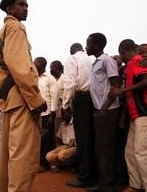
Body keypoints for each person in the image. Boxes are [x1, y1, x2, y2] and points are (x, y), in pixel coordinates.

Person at [0, 0, 47, 191]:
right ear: (9, 9)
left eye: (26, 5)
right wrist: (36, 100)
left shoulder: (3, 31)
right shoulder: (16, 27)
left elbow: (6, 65)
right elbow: (20, 67)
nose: (25, 8)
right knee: (22, 158)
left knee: (10, 155)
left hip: (10, 99)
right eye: (20, 4)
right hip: (22, 99)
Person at [109, 39, 147, 191]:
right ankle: (135, 185)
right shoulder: (129, 66)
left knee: (140, 152)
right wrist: (124, 114)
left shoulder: (137, 61)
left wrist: (121, 91)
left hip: (143, 113)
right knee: (130, 151)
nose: (121, 58)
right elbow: (131, 92)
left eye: (121, 55)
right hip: (134, 114)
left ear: (123, 52)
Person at [86, 33, 120, 192]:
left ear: (97, 46)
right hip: (100, 111)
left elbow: (115, 87)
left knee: (105, 148)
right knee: (101, 148)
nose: (86, 47)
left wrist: (104, 109)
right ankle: (103, 183)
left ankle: (108, 186)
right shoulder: (96, 63)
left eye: (88, 43)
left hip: (107, 111)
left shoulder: (107, 61)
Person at [63, 43, 97, 188]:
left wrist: (66, 104)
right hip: (94, 99)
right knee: (92, 138)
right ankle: (93, 175)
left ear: (71, 50)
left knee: (83, 140)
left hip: (82, 99)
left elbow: (70, 84)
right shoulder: (92, 59)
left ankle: (84, 177)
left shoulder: (72, 59)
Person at [34, 57, 58, 172]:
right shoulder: (32, 77)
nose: (33, 65)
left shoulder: (50, 79)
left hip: (47, 114)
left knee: (47, 139)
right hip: (35, 114)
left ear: (42, 65)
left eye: (36, 63)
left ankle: (46, 164)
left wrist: (52, 116)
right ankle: (39, 162)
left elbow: (54, 97)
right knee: (37, 140)